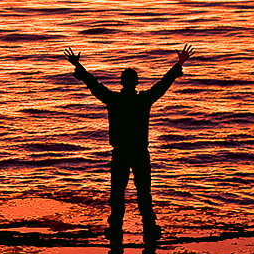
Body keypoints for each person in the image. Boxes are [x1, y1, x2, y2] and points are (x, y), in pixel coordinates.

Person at [64, 45, 194, 243]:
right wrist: (179, 63)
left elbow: (93, 84)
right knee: (144, 192)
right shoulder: (144, 100)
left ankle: (115, 228)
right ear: (136, 83)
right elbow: (163, 84)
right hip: (140, 152)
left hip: (121, 153)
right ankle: (149, 227)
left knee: (117, 192)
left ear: (122, 83)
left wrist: (78, 66)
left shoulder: (113, 100)